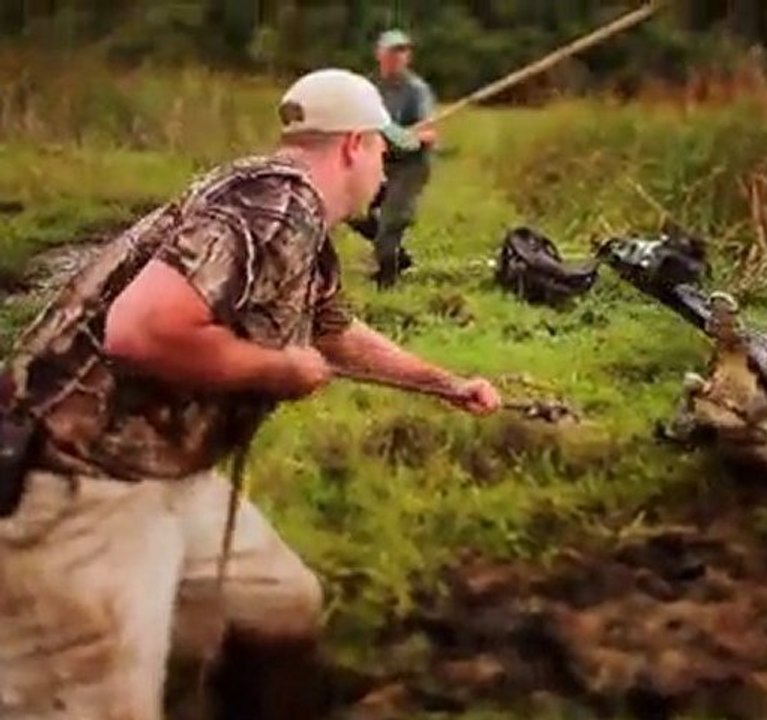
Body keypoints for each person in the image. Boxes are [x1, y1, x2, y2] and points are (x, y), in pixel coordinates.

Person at [0, 68, 500, 720]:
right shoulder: (272, 207)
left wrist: (445, 384)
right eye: (383, 150)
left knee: (277, 605)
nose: (385, 170)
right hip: (79, 480)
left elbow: (333, 332)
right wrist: (277, 370)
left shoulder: (294, 216)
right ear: (354, 145)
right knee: (92, 703)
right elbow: (140, 330)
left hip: (167, 470)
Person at [354, 28, 439, 288]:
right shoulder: (368, 88)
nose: (397, 57)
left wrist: (409, 137)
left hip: (410, 166)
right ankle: (396, 256)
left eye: (402, 52)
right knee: (354, 210)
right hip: (379, 161)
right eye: (392, 52)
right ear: (379, 55)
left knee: (392, 221)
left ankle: (387, 280)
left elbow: (429, 134)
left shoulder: (417, 90)